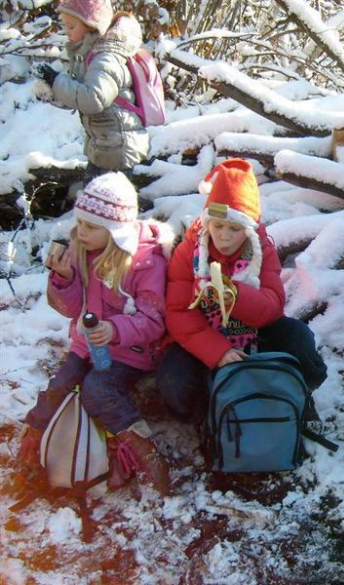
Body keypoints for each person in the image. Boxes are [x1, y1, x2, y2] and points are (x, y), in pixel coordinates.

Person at [17, 173, 172, 495]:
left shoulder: (145, 262)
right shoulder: (80, 251)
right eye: (79, 224)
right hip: (85, 344)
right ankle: (32, 449)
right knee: (59, 386)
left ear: (115, 230)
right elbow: (70, 309)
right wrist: (63, 278)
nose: (80, 233)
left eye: (90, 227)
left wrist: (114, 330)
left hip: (129, 351)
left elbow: (154, 319)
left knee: (97, 389)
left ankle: (143, 450)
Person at [156, 158, 327, 426]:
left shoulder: (261, 250)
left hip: (254, 328)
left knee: (299, 338)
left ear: (248, 229)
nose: (224, 236)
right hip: (203, 332)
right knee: (174, 380)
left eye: (234, 229)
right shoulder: (189, 251)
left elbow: (273, 305)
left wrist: (235, 296)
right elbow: (178, 312)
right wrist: (217, 351)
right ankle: (211, 416)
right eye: (217, 226)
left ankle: (297, 394)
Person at [32, 0, 149, 178]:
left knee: (107, 202)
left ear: (91, 26)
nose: (67, 32)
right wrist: (52, 93)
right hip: (105, 146)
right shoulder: (88, 55)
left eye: (71, 26)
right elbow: (79, 98)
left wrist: (56, 80)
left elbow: (93, 99)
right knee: (92, 200)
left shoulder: (106, 58)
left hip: (118, 147)